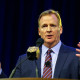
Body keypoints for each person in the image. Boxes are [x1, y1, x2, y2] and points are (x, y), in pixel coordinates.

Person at [10, 9, 80, 79]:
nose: (48, 30)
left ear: (60, 29)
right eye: (44, 26)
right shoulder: (24, 60)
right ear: (39, 31)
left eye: (53, 25)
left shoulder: (76, 56)